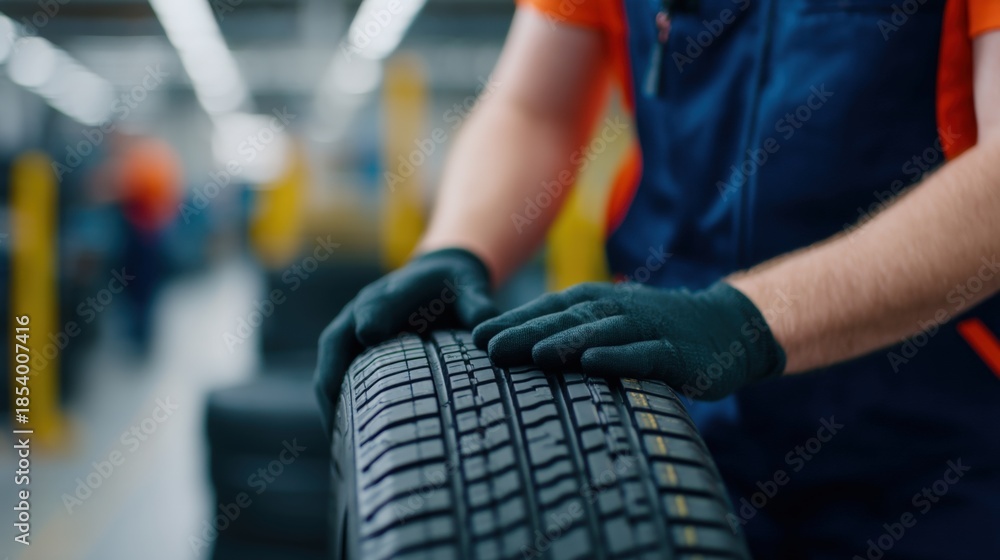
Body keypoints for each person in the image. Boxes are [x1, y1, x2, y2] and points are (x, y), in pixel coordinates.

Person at [316, 0, 1000, 556]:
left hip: (934, 443)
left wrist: (745, 319)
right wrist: (457, 248)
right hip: (674, 410)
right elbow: (534, 107)